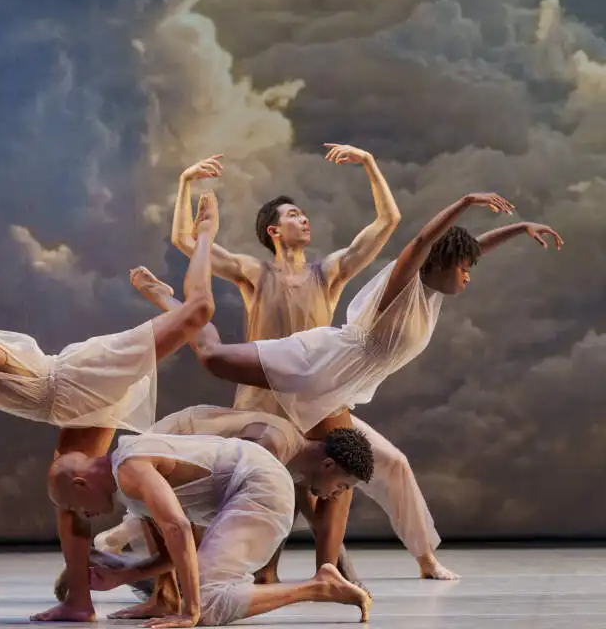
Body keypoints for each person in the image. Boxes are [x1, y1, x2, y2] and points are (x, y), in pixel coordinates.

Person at [159, 184, 564, 578]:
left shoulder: (433, 293)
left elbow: (467, 247)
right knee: (212, 358)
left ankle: (341, 567)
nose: (467, 275)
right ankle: (169, 301)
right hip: (317, 361)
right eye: (462, 267)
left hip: (337, 389)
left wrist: (519, 228)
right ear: (439, 263)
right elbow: (425, 239)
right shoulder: (403, 283)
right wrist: (465, 201)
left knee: (353, 467)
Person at [0, 193, 223, 624]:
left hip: (82, 376)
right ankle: (81, 601)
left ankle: (204, 237)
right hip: (72, 408)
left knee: (200, 311)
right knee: (69, 496)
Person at [170, 148, 450, 580]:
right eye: (294, 215)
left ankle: (415, 557)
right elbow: (187, 243)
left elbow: (386, 224)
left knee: (390, 462)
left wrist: (371, 164)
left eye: (304, 214)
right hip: (264, 400)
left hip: (319, 399)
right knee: (267, 480)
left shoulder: (328, 273)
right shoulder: (254, 273)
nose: (305, 220)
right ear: (273, 230)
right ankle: (272, 568)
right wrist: (187, 182)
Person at [48, 432, 373, 627]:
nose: (83, 514)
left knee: (205, 604)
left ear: (81, 483)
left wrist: (190, 610)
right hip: (256, 484)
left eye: (76, 506)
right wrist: (124, 576)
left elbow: (178, 528)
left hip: (261, 485)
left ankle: (319, 586)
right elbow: (173, 553)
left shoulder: (130, 467)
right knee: (205, 597)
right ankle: (320, 584)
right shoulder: (128, 482)